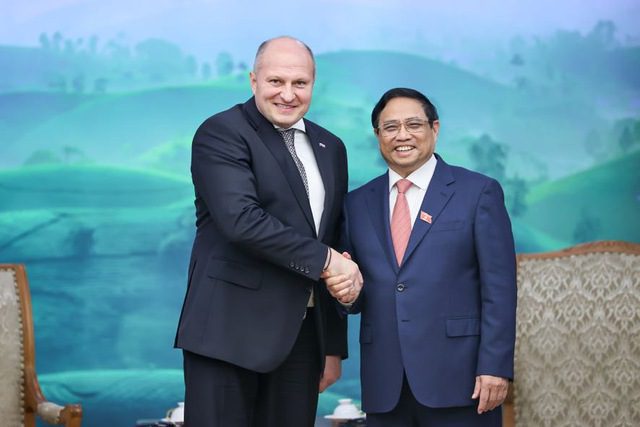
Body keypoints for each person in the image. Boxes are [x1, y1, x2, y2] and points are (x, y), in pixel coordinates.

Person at [174, 36, 362, 427]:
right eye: (276, 81)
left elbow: (332, 238)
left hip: (301, 342)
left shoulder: (331, 147)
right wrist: (329, 262)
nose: (288, 94)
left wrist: (331, 346)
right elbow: (241, 220)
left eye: (300, 83)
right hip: (227, 334)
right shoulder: (221, 132)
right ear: (253, 80)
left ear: (313, 84)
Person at [324, 87, 517, 426]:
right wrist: (347, 295)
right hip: (385, 385)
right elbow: (356, 292)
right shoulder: (356, 203)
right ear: (378, 135)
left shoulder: (478, 192)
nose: (402, 136)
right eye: (390, 127)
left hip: (461, 380)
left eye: (413, 124)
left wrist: (494, 366)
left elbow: (499, 289)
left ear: (434, 129)